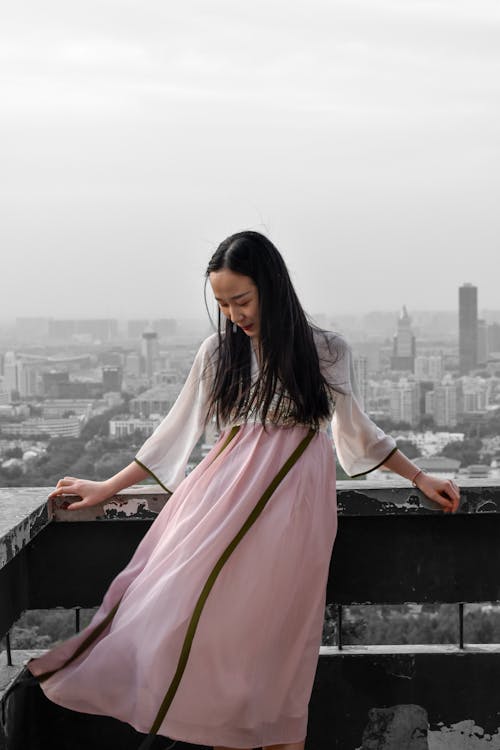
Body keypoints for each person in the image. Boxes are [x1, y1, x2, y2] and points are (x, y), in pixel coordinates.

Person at [28, 231, 460, 750]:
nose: (234, 314)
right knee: (190, 619)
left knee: (282, 645)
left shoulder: (326, 351)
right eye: (222, 303)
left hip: (297, 514)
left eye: (242, 300)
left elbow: (357, 428)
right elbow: (175, 428)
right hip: (219, 503)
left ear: (272, 287)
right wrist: (107, 487)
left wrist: (418, 477)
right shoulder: (217, 353)